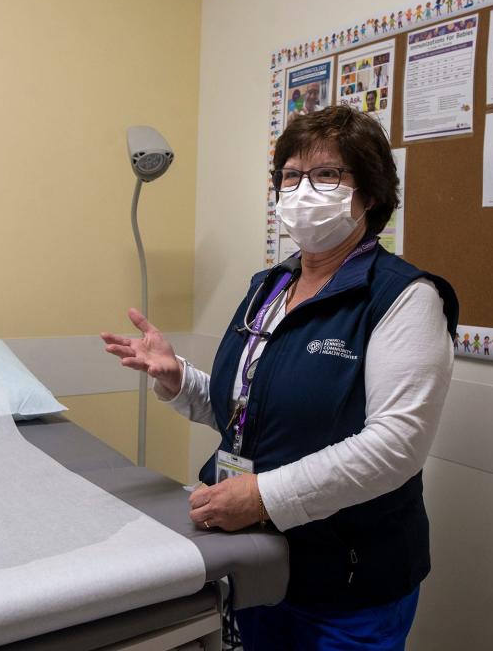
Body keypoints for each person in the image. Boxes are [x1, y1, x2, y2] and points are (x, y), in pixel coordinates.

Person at [101, 105, 458, 650]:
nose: (302, 189)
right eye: (290, 176)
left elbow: (396, 447)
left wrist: (263, 496)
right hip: (258, 559)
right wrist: (179, 380)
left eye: (327, 174)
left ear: (369, 192)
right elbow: (247, 407)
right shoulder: (269, 288)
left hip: (350, 580)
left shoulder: (404, 298)